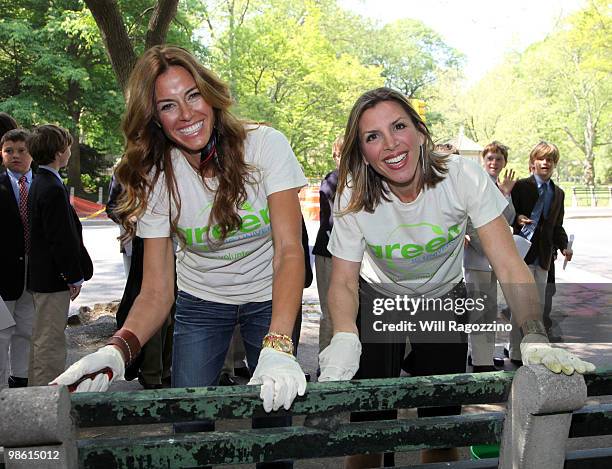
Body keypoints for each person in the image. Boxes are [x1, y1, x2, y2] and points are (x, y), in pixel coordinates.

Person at [316, 88, 594, 467]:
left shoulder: (461, 176)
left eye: (398, 126)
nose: (391, 143)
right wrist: (346, 334)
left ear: (419, 131)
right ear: (361, 151)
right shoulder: (353, 192)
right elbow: (344, 281)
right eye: (372, 136)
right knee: (370, 427)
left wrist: (532, 331)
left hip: (444, 298)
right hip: (379, 298)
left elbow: (509, 264)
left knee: (443, 424)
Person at [52, 46, 308, 451]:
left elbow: (290, 251)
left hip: (270, 294)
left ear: (210, 94)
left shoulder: (265, 145)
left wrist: (279, 344)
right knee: (187, 419)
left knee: (276, 422)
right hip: (201, 301)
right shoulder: (155, 175)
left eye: (192, 95)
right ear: (154, 118)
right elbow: (155, 290)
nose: (186, 114)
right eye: (168, 105)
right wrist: (119, 347)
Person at [27, 124, 93, 386]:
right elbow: (60, 239)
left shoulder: (41, 181)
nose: (69, 151)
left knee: (42, 338)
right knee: (50, 342)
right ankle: (44, 399)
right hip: (52, 278)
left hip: (43, 275)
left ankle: (36, 393)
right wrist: (73, 276)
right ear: (58, 152)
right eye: (67, 146)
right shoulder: (51, 188)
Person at [508, 141, 572, 362]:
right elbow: (508, 214)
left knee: (539, 308)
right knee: (520, 305)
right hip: (522, 253)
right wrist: (517, 219)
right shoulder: (521, 186)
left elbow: (557, 225)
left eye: (550, 160)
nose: (545, 163)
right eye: (541, 159)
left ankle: (534, 351)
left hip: (544, 257)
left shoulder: (559, 193)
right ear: (532, 162)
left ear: (554, 164)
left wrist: (564, 246)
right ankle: (516, 351)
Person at [463, 141, 516, 372]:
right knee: (479, 312)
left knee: (489, 310)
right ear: (483, 161)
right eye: (490, 159)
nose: (494, 163)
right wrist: (486, 248)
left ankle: (482, 355)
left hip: (495, 260)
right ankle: (480, 362)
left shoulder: (500, 186)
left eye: (499, 159)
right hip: (478, 258)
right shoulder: (474, 182)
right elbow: (469, 220)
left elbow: (509, 218)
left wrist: (505, 194)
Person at [0, 129, 35, 389]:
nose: (15, 156)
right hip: (3, 273)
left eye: (22, 150)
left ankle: (21, 378)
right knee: (2, 332)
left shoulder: (43, 183)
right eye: (9, 151)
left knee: (28, 328)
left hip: (34, 271)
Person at [312, 135, 343, 353]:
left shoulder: (366, 178)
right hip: (329, 252)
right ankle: (326, 359)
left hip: (352, 254)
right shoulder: (333, 180)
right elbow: (331, 219)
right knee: (331, 310)